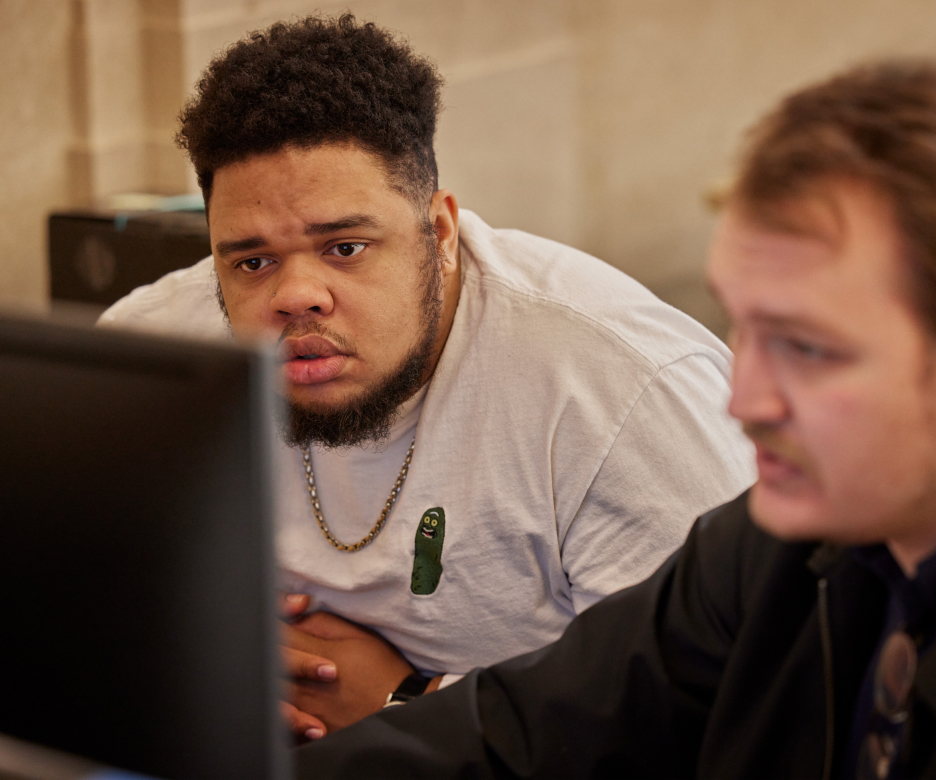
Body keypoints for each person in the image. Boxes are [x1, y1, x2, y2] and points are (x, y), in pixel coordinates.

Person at [294, 60, 936, 779]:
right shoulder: (788, 539)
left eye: (810, 349)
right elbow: (517, 738)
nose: (745, 398)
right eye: (742, 327)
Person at [97, 15, 755, 741]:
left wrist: (410, 705)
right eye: (251, 261)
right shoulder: (156, 349)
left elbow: (713, 717)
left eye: (344, 246)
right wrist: (199, 652)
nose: (295, 295)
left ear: (439, 232)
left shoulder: (622, 388)